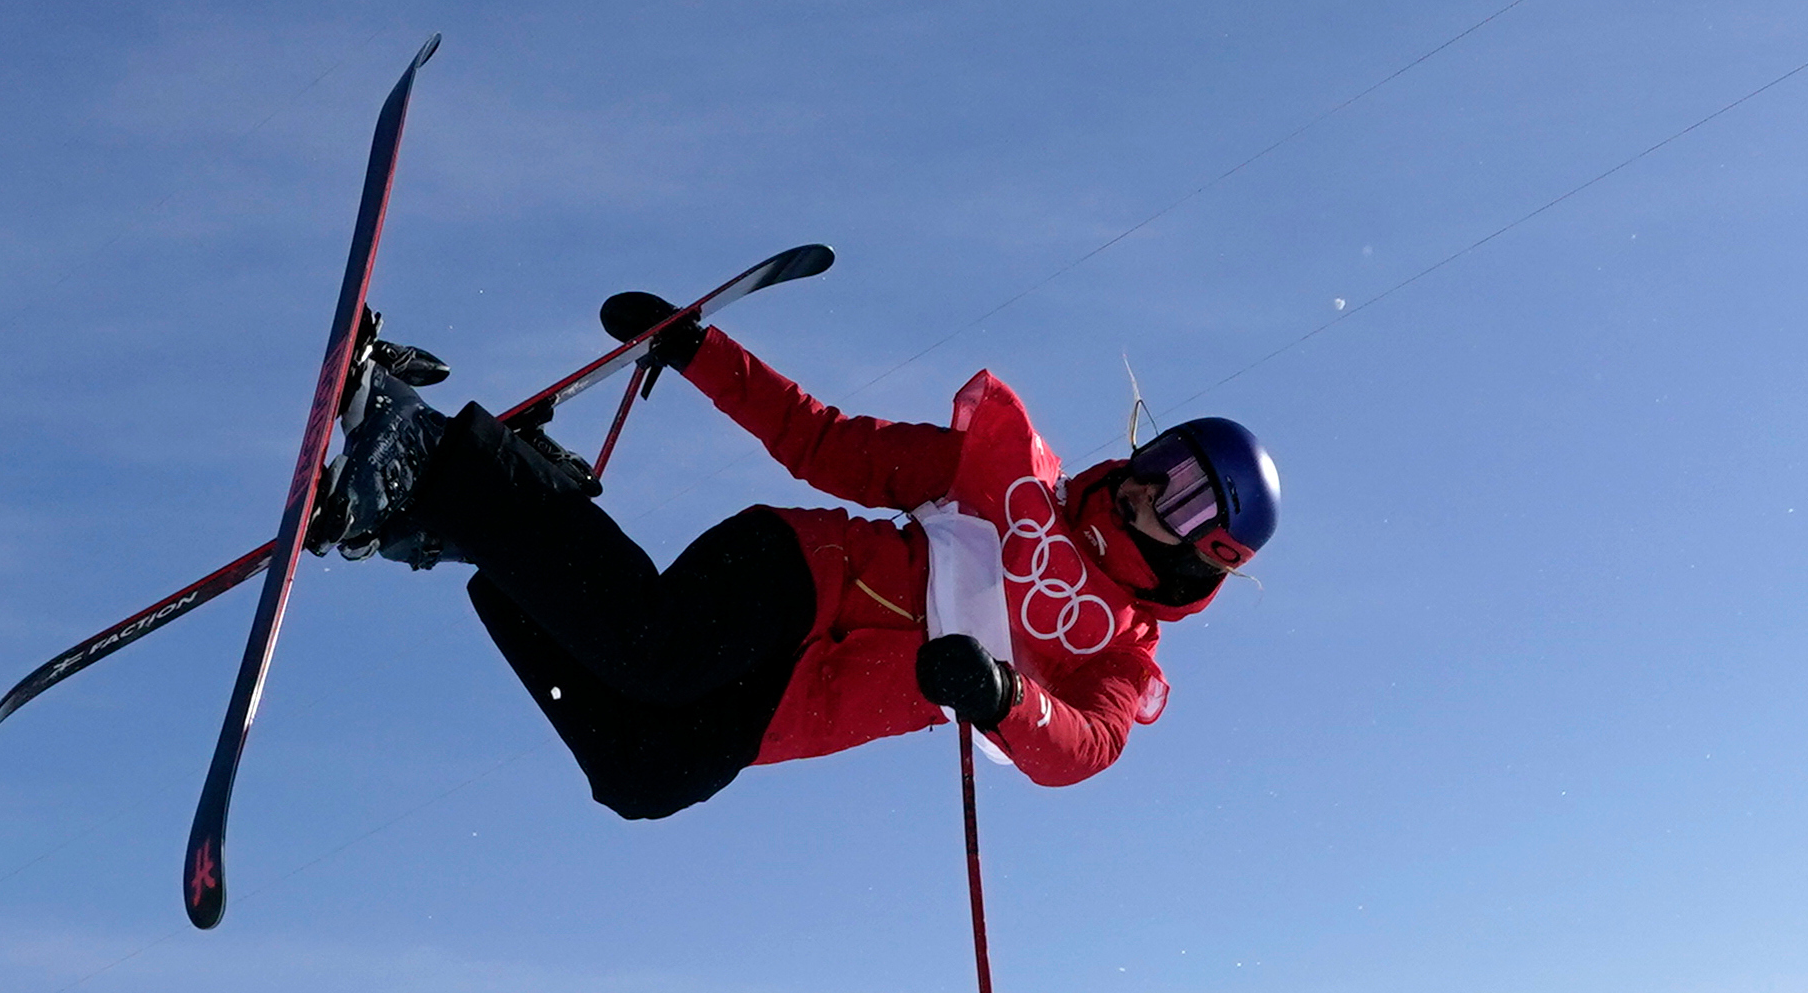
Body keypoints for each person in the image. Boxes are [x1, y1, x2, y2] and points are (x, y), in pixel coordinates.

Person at [309, 293, 1279, 818]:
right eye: (1163, 456)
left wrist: (1001, 697)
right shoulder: (1008, 477)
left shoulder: (1118, 655)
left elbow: (1083, 749)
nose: (1152, 484)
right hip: (796, 576)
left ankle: (493, 510)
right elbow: (826, 441)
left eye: (1186, 493)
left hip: (801, 701)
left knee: (642, 775)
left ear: (1210, 549)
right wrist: (699, 351)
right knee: (658, 649)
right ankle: (434, 457)